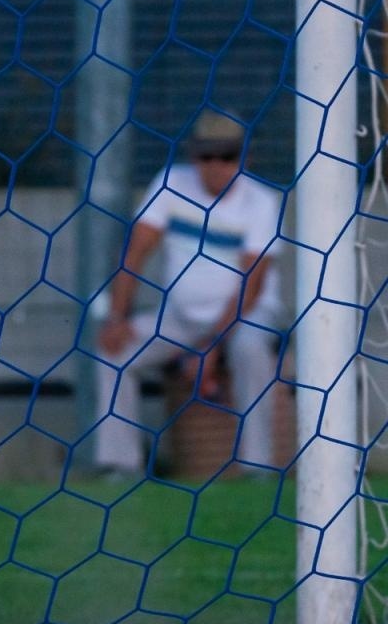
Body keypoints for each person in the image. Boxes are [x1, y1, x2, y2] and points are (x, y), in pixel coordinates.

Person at [93, 111, 285, 475]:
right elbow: (134, 254)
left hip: (248, 313)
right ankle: (121, 466)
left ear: (246, 158)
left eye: (227, 156)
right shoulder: (170, 183)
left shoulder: (261, 202)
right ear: (193, 156)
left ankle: (258, 467)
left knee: (249, 348)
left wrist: (210, 347)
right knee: (113, 352)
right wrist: (117, 317)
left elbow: (253, 286)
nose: (215, 166)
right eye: (206, 156)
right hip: (180, 317)